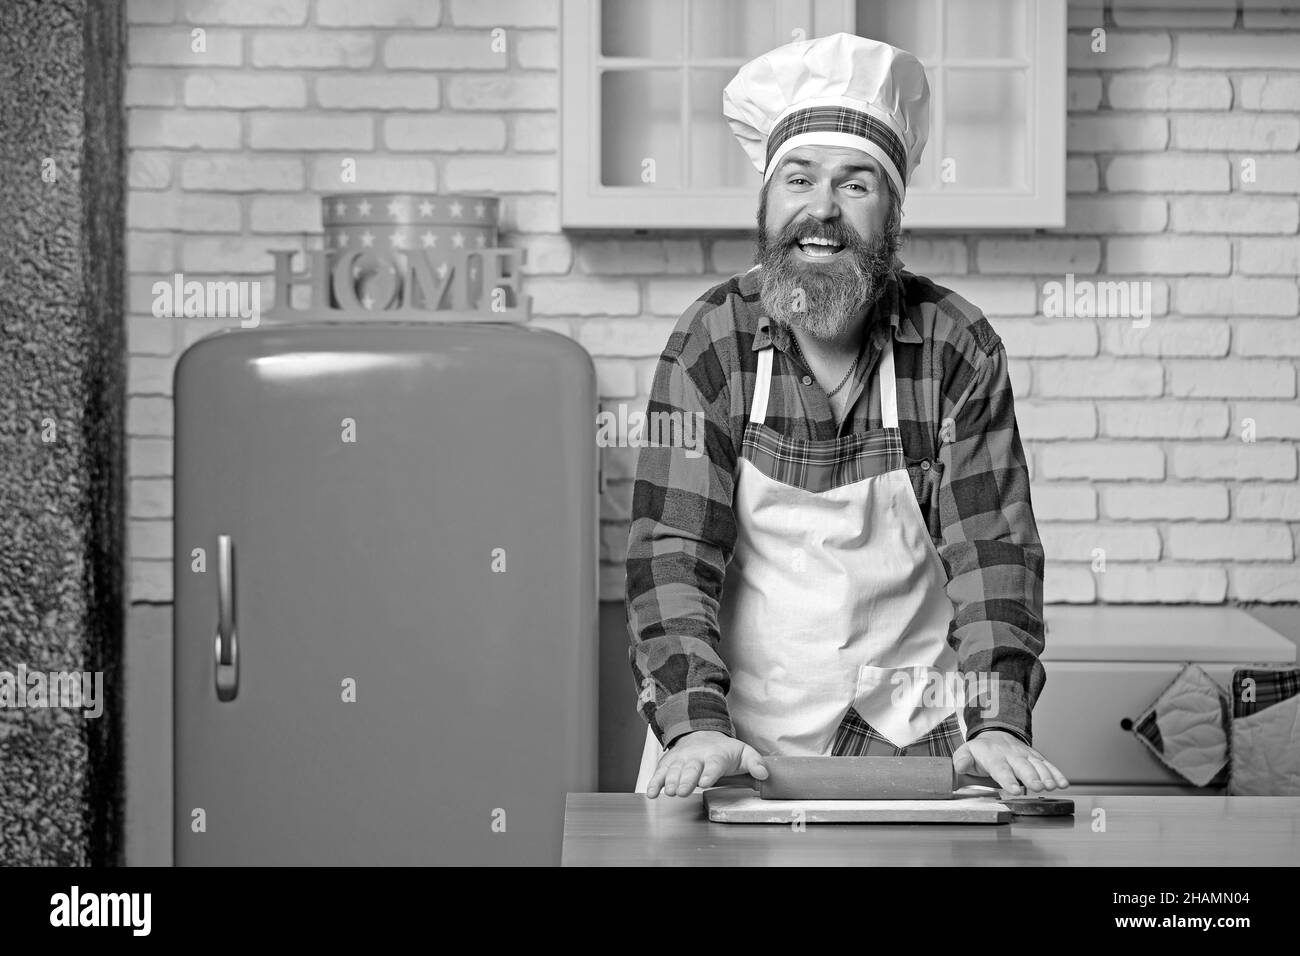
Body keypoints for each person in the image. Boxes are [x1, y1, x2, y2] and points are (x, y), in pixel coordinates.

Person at [625, 33, 1068, 799]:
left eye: (856, 184)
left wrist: (997, 718)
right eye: (799, 179)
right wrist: (694, 720)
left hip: (911, 737)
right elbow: (673, 546)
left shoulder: (955, 343)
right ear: (767, 202)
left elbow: (992, 547)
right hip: (731, 742)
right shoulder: (711, 339)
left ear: (893, 215)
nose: (822, 210)